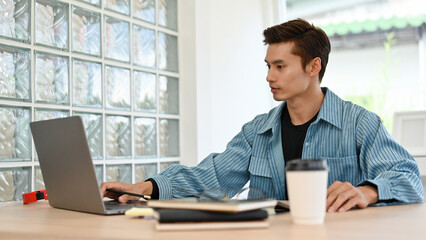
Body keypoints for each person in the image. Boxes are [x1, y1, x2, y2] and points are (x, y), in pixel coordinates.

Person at [101, 19, 424, 212]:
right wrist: (142, 188)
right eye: (268, 66)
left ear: (314, 67)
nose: (270, 76)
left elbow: (409, 178)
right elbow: (208, 177)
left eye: (280, 66)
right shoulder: (258, 132)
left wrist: (367, 191)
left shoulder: (360, 124)